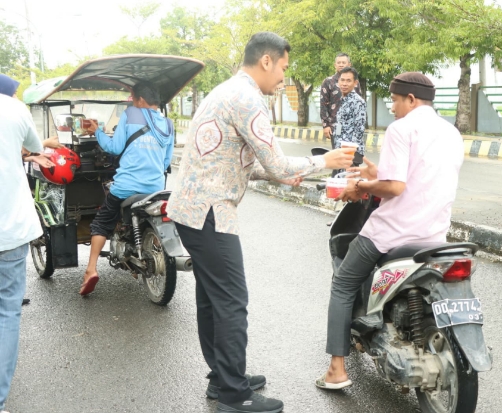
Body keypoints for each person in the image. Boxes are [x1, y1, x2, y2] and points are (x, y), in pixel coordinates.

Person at [166, 32, 353, 413]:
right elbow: (279, 163)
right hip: (210, 213)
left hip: (191, 209)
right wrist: (325, 162)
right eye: (283, 68)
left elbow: (234, 161)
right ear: (266, 61)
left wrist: (281, 175)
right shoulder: (249, 99)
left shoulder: (226, 91)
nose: (283, 79)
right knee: (232, 302)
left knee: (212, 299)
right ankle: (235, 395)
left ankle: (223, 378)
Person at [315, 72, 464, 390]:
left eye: (395, 100)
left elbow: (395, 186)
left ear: (410, 99)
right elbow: (418, 179)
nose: (392, 107)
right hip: (434, 236)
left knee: (342, 285)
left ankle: (336, 370)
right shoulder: (451, 132)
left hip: (393, 233)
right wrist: (374, 171)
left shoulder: (401, 128)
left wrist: (361, 184)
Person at [80, 81, 174, 296]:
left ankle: (91, 269)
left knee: (102, 222)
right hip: (156, 187)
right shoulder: (168, 124)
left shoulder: (131, 114)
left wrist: (98, 132)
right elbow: (166, 160)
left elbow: (114, 147)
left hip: (127, 186)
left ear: (139, 100)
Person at [0, 73, 54, 413]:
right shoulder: (14, 109)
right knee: (7, 312)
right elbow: (35, 145)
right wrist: (29, 154)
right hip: (9, 231)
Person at [320, 53, 362, 148]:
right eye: (339, 62)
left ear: (349, 64)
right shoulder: (328, 82)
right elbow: (323, 105)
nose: (341, 64)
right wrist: (326, 125)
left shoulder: (355, 83)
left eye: (343, 62)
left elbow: (359, 104)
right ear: (335, 65)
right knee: (338, 152)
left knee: (353, 156)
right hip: (336, 125)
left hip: (353, 126)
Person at [331, 66, 366, 176]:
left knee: (346, 186)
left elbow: (359, 130)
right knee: (337, 183)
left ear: (355, 83)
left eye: (348, 81)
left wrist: (349, 154)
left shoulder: (358, 101)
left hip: (349, 154)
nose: (344, 84)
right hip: (340, 151)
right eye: (342, 80)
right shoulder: (343, 99)